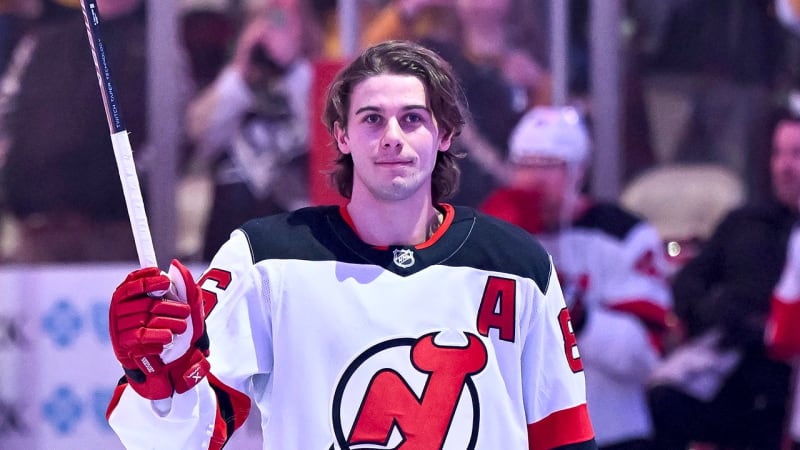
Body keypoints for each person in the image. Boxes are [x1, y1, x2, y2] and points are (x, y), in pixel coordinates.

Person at [105, 40, 598, 449]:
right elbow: (177, 441)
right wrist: (163, 375)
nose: (391, 137)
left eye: (412, 119)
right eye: (370, 119)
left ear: (444, 134)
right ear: (340, 136)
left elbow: (564, 436)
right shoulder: (265, 260)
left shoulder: (518, 265)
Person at [480, 106, 674, 449]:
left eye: (549, 166)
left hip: (613, 433)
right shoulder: (499, 231)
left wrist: (576, 311)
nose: (533, 179)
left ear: (578, 172)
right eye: (525, 164)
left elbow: (645, 354)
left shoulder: (623, 235)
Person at [647, 111, 800, 449]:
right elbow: (689, 281)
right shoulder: (745, 223)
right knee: (662, 399)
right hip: (729, 361)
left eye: (796, 154)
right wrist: (710, 314)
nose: (785, 167)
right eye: (778, 154)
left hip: (785, 376)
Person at [0, 0, 146, 262]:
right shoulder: (41, 41)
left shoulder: (152, 43)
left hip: (115, 229)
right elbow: (7, 122)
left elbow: (172, 137)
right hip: (38, 226)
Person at [185, 0, 322, 262]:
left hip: (298, 239)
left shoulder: (316, 81)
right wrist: (241, 69)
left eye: (280, 19)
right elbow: (199, 141)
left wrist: (292, 67)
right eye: (259, 17)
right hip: (230, 235)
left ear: (303, 26)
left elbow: (328, 139)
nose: (269, 28)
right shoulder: (233, 82)